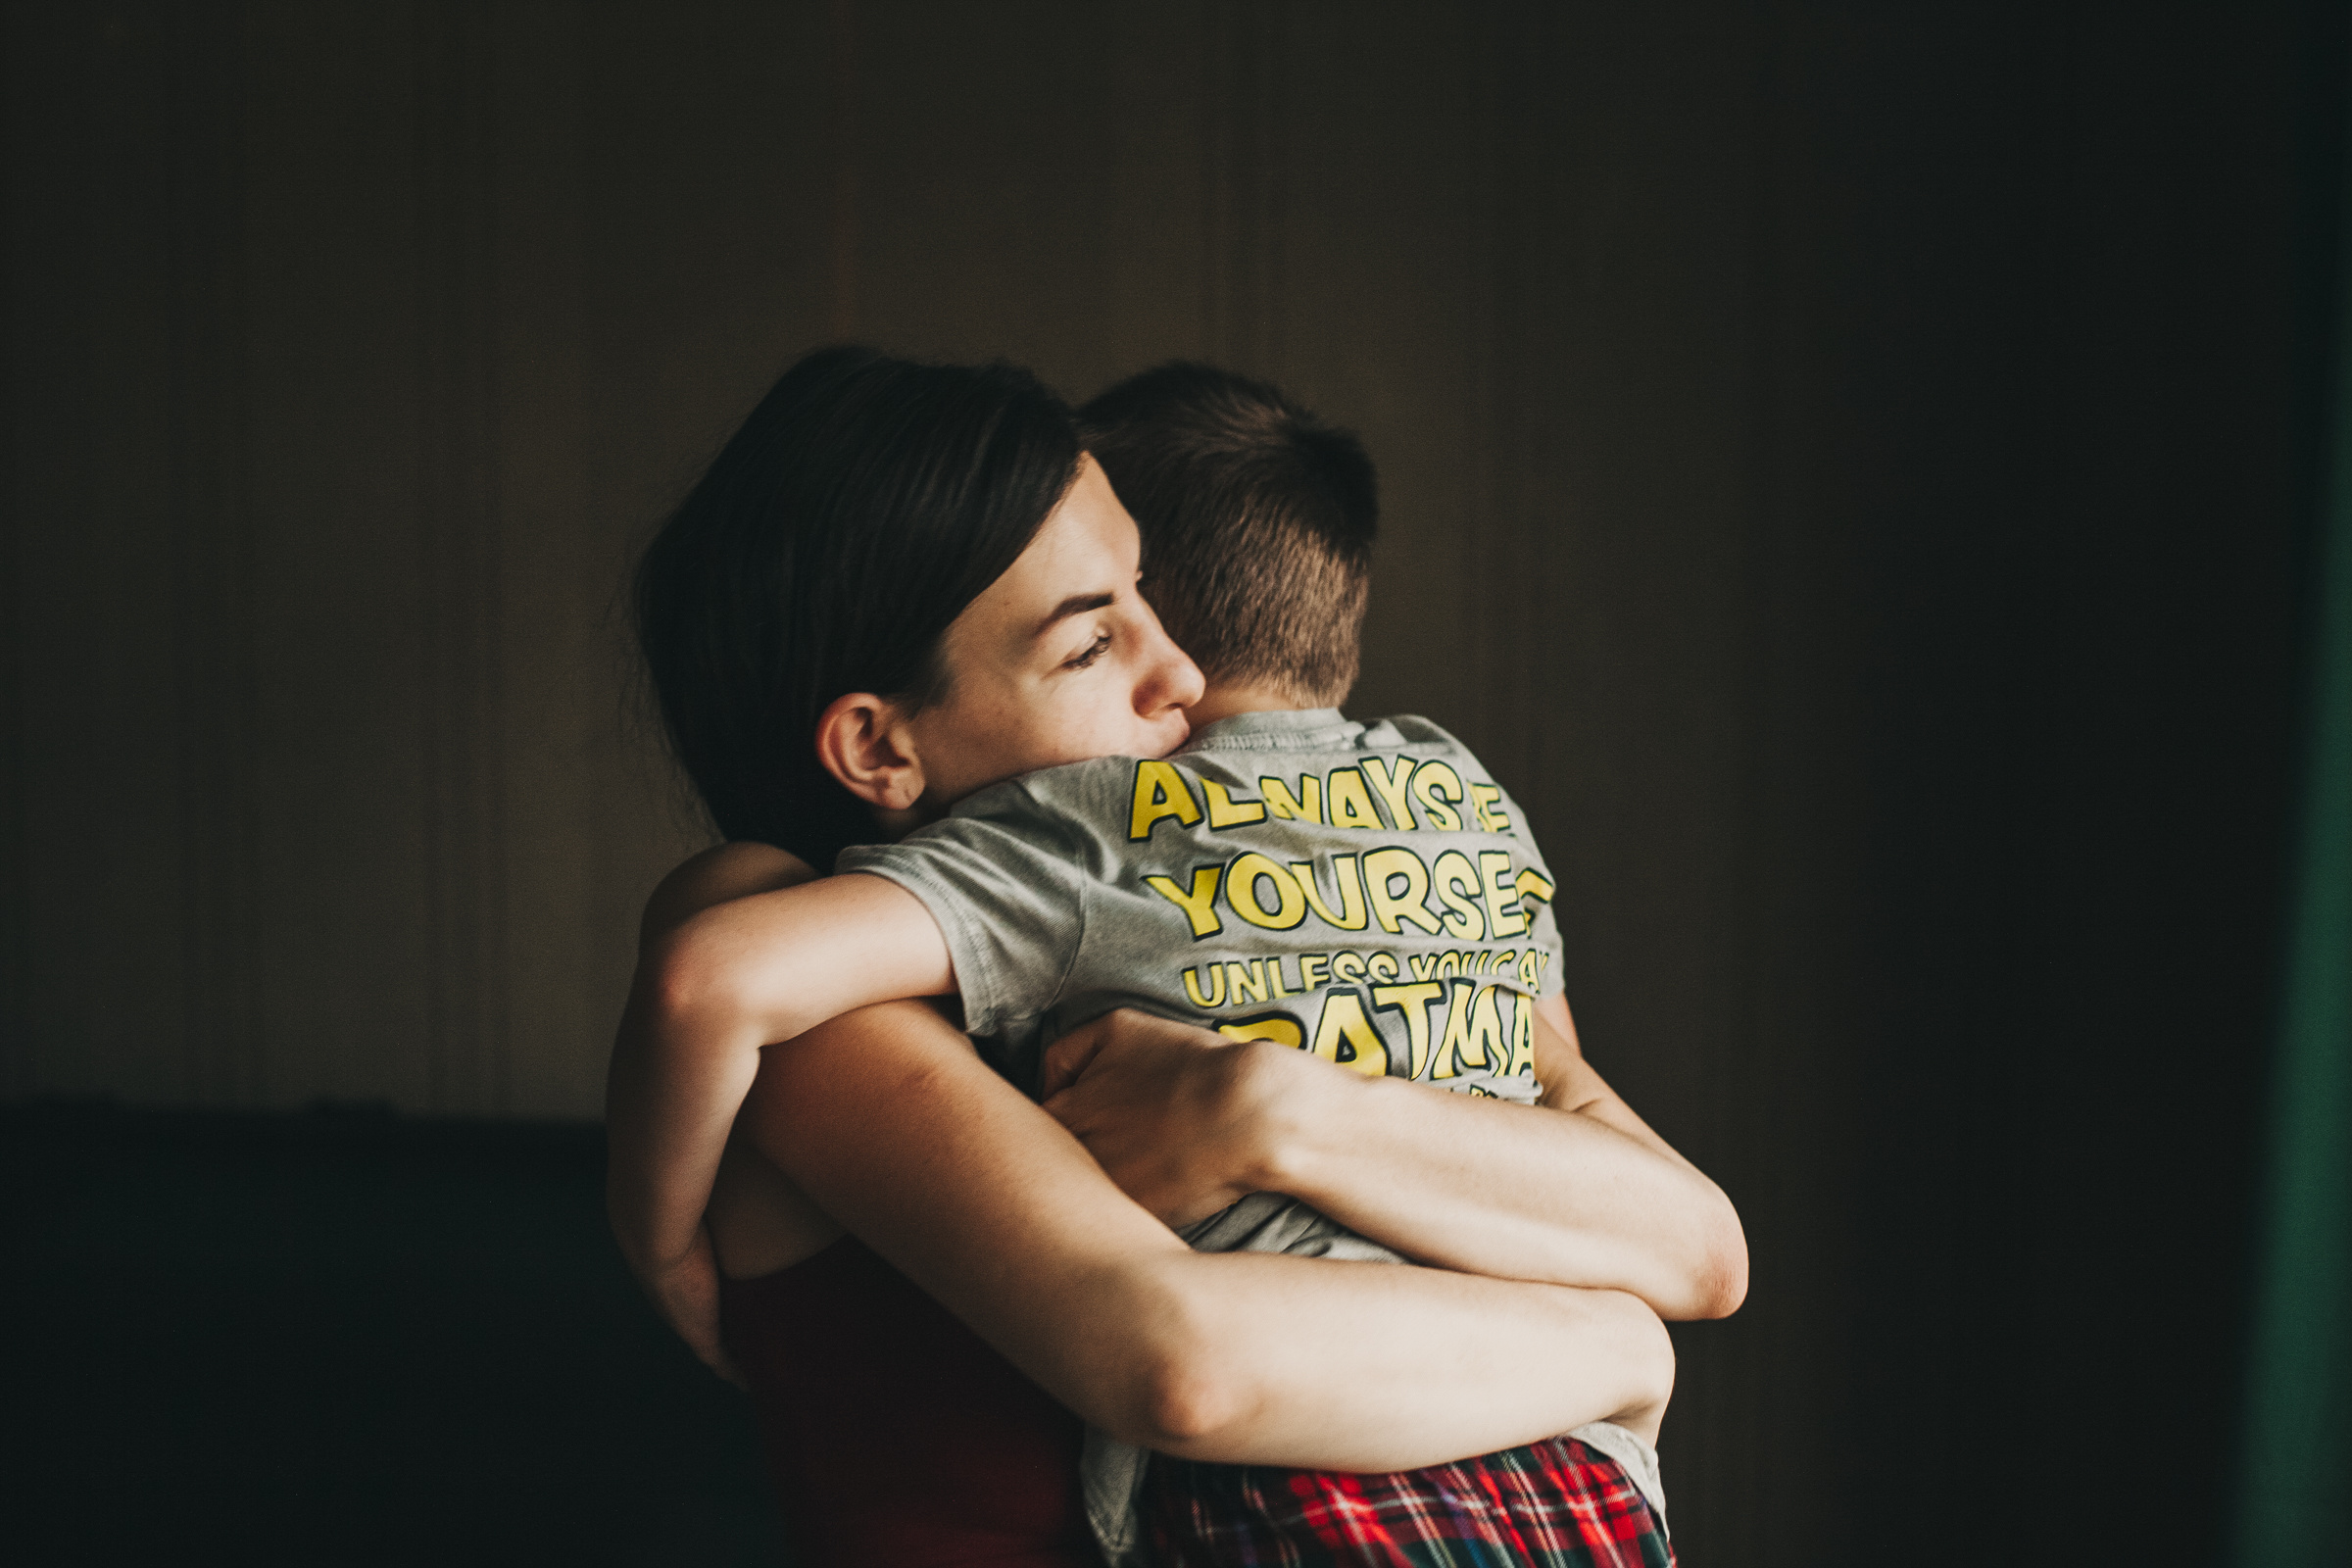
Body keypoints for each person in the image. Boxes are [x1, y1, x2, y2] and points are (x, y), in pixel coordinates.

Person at [611, 347, 1742, 1565]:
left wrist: (1269, 1106)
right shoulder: (783, 954)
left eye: (1150, 594)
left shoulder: (1193, 912)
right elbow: (1185, 1360)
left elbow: (1693, 1240)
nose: (1189, 679)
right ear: (877, 751)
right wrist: (1618, 1351)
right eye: (1092, 644)